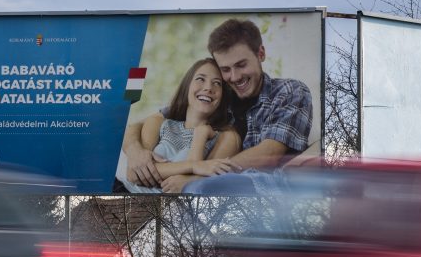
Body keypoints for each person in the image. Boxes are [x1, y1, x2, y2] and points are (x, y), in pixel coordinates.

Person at [122, 18, 312, 195]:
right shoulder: (217, 96)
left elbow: (269, 154)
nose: (235, 77)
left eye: (241, 65)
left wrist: (195, 177)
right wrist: (136, 153)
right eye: (226, 69)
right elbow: (138, 125)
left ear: (260, 54)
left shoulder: (289, 91)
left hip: (266, 200)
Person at [115, 58, 241, 193]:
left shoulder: (224, 137)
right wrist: (194, 166)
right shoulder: (158, 123)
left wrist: (201, 133)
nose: (208, 88)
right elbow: (134, 174)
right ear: (187, 86)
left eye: (217, 83)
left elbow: (199, 183)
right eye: (200, 79)